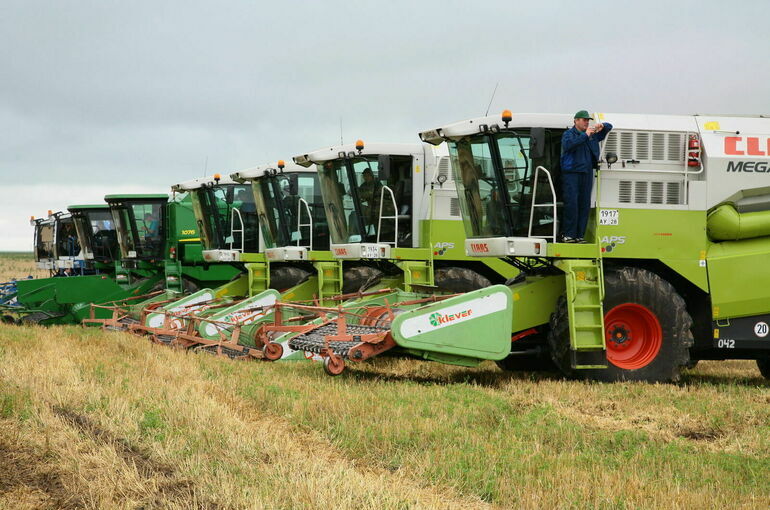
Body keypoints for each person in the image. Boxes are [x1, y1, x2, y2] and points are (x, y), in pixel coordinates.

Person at [560, 110, 613, 243]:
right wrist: (585, 135)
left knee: (584, 204)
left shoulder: (591, 136)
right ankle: (568, 234)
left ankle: (579, 235)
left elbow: (609, 127)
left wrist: (603, 126)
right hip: (572, 173)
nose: (587, 122)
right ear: (576, 121)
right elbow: (568, 145)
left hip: (587, 172)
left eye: (588, 120)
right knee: (572, 203)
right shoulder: (568, 134)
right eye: (584, 120)